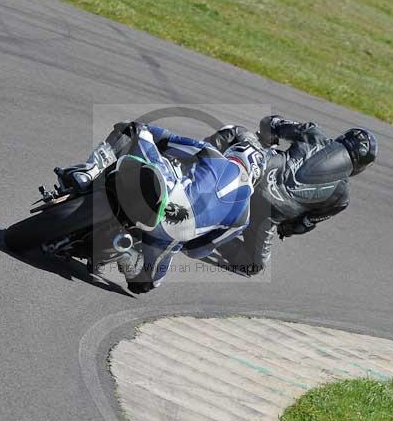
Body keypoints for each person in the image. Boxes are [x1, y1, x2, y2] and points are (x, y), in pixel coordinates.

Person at [63, 121, 265, 293]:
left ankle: (89, 172)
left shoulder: (212, 154)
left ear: (234, 151)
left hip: (164, 191)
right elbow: (196, 252)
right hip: (172, 235)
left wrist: (151, 137)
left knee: (134, 128)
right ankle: (125, 252)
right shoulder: (243, 218)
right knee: (144, 284)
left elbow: (164, 139)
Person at [205, 115, 377, 276]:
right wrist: (285, 227)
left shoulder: (313, 133)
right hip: (268, 215)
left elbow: (269, 123)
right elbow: (303, 224)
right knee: (253, 265)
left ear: (342, 137)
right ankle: (205, 235)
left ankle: (195, 162)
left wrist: (268, 139)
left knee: (237, 132)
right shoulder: (341, 198)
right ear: (361, 166)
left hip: (254, 176)